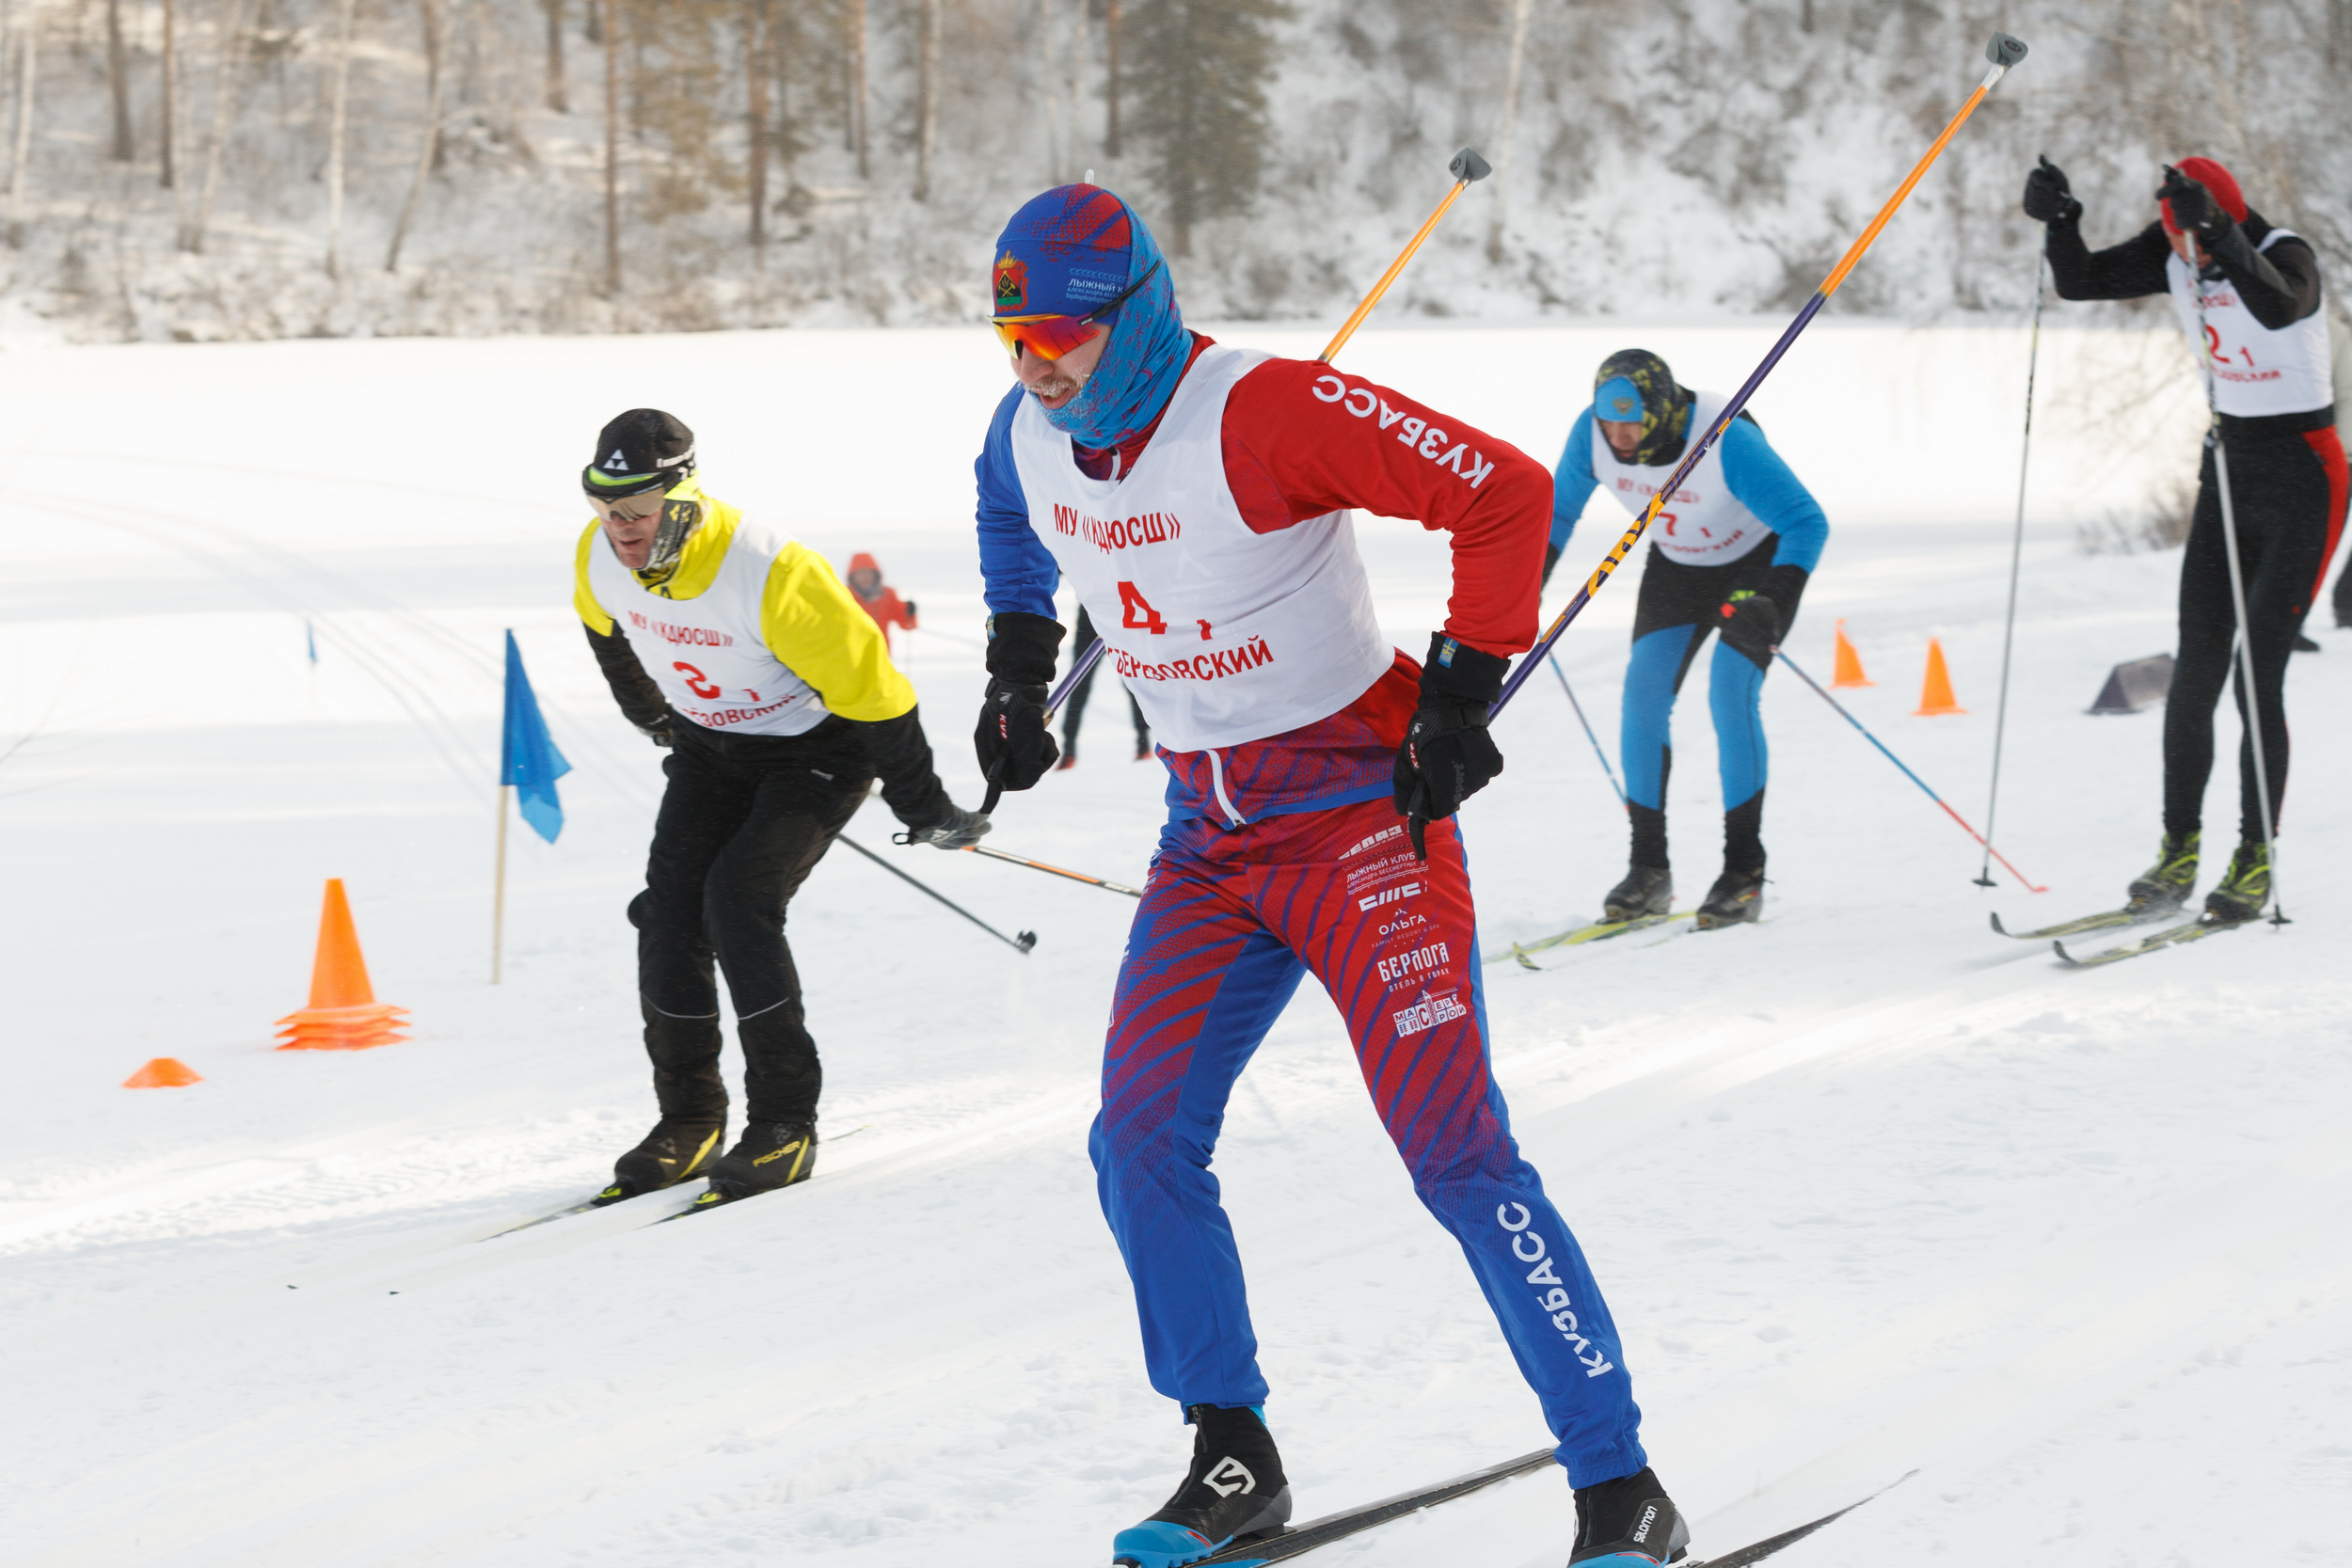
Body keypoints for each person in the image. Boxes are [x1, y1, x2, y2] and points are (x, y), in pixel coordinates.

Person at [971, 185, 1682, 1568]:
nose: (1034, 362)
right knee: (1139, 1141)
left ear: (1133, 311)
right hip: (1209, 839)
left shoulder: (1261, 410)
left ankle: (1621, 1482)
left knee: (1455, 1156)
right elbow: (1009, 513)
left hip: (1360, 822)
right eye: (1009, 334)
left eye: (1057, 329)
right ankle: (1229, 1449)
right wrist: (1015, 667)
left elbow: (1504, 491)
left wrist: (1461, 690)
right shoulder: (1028, 428)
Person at [574, 409, 989, 1204]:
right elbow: (607, 632)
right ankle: (689, 1118)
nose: (617, 529)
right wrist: (654, 716)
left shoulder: (769, 570)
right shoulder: (599, 556)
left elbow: (878, 694)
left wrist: (923, 802)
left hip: (820, 749)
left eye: (634, 510)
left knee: (739, 902)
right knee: (668, 916)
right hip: (710, 747)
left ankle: (784, 1124)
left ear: (682, 498)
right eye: (602, 507)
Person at [2026, 155, 2347, 919]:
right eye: (2180, 246)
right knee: (2195, 667)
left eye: (2195, 244)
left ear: (2221, 217)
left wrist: (2221, 236)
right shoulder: (2174, 246)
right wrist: (2060, 222)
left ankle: (2254, 856)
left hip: (2306, 476)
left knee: (2255, 673)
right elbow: (2079, 282)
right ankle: (2179, 848)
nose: (2187, 263)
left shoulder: (2285, 252)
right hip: (2230, 471)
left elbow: (2280, 308)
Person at [1544, 349, 1828, 929]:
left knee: (1729, 692)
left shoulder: (1726, 439)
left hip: (1759, 565)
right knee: (1642, 697)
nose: (1619, 436)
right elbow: (1557, 513)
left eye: (1632, 421)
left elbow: (1806, 521)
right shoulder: (1591, 435)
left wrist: (1775, 597)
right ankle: (1648, 868)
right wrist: (1526, 581)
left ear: (1662, 410)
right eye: (1609, 422)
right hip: (1677, 567)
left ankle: (1743, 872)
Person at [1056, 604, 1152, 767]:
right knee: (1080, 680)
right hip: (1096, 614)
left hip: (1119, 613)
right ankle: (1069, 749)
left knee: (1131, 678)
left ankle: (1144, 743)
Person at [844, 551, 919, 653]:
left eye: (868, 573)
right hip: (852, 653)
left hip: (881, 654)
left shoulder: (888, 594)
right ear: (852, 576)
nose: (864, 577)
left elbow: (907, 625)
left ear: (875, 575)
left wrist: (909, 611)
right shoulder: (844, 596)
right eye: (860, 573)